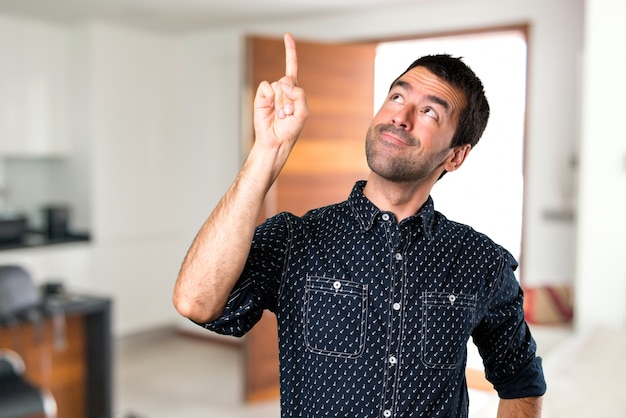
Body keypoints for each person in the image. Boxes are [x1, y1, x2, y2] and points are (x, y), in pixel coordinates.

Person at [173, 33, 546, 417]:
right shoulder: (295, 239)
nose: (400, 118)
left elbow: (521, 382)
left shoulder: (481, 262)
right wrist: (266, 151)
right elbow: (195, 301)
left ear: (456, 156)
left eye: (429, 112)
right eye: (397, 97)